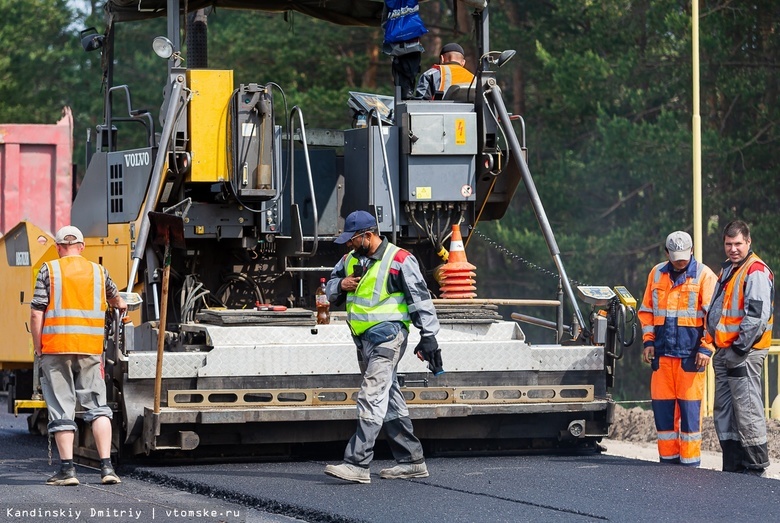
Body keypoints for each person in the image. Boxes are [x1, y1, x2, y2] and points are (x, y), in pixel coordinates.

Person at [323, 210, 442, 484]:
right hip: (362, 339)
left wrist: (429, 336)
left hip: (389, 337)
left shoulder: (399, 260)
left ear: (368, 235)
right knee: (389, 398)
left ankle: (357, 464)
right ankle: (412, 461)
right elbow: (328, 289)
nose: (348, 245)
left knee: (371, 394)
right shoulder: (348, 260)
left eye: (352, 239)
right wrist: (341, 284)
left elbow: (420, 299)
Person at [30, 226, 127, 486]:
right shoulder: (99, 272)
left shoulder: (48, 270)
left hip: (56, 348)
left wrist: (38, 346)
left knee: (62, 408)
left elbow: (37, 312)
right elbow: (117, 300)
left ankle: (67, 471)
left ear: (59, 247)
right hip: (90, 349)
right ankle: (107, 468)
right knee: (98, 406)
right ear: (82, 247)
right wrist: (120, 304)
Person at [638, 231, 717, 467]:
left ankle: (690, 467)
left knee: (690, 419)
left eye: (684, 257)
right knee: (663, 418)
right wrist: (648, 341)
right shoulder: (657, 273)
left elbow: (713, 317)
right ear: (666, 254)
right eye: (676, 258)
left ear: (692, 251)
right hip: (662, 358)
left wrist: (706, 347)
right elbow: (647, 311)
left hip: (691, 359)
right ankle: (668, 464)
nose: (680, 262)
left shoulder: (704, 276)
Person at [704, 220, 774, 476]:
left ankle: (755, 466)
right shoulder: (729, 269)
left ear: (748, 242)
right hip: (725, 351)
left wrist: (739, 350)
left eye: (738, 244)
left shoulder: (755, 271)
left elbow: (756, 316)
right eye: (728, 244)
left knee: (746, 408)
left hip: (743, 353)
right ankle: (733, 463)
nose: (733, 248)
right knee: (724, 409)